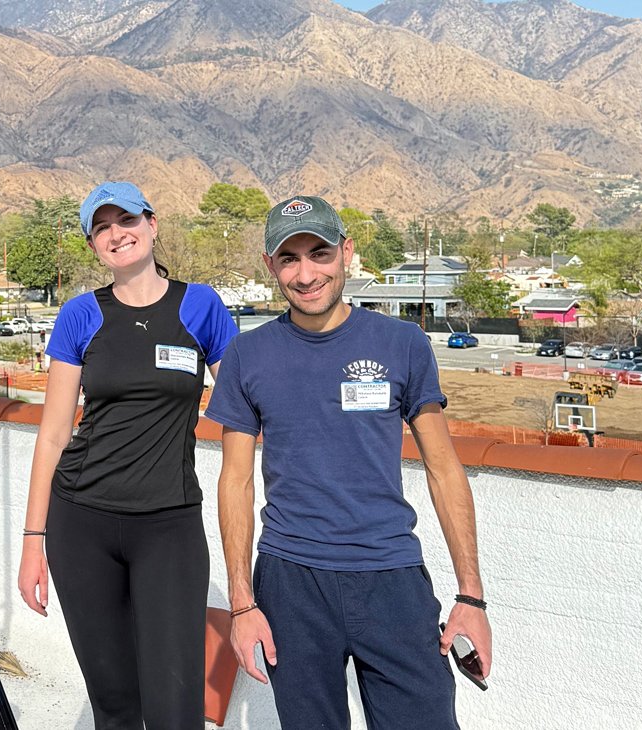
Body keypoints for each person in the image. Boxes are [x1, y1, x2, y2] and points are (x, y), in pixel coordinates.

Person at [206, 196, 493, 729]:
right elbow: (236, 483)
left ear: (347, 252)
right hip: (292, 584)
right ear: (271, 266)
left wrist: (470, 596)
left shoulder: (401, 342)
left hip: (391, 578)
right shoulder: (249, 355)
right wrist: (243, 606)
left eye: (319, 253)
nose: (306, 273)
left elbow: (444, 469)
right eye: (289, 259)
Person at [17, 182, 237, 728]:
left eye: (128, 220)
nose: (118, 234)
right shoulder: (80, 315)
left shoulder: (201, 306)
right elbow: (52, 436)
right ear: (93, 243)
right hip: (81, 523)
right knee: (114, 705)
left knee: (175, 709)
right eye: (103, 227)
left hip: (169, 526)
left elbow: (243, 406)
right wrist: (32, 542)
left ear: (153, 224)